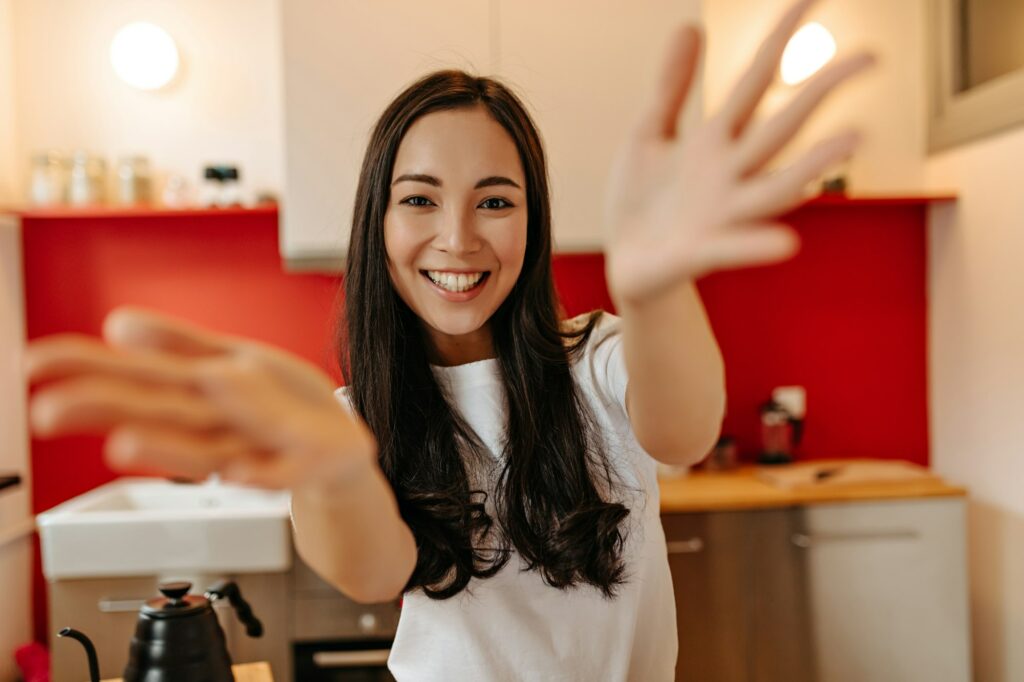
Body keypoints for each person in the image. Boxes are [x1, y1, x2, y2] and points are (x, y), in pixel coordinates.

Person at [23, 0, 873, 679]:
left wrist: (655, 289)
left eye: (495, 201)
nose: (458, 239)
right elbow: (373, 572)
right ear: (378, 221)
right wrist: (336, 467)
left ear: (532, 221)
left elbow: (683, 431)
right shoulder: (350, 421)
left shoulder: (600, 358)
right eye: (420, 199)